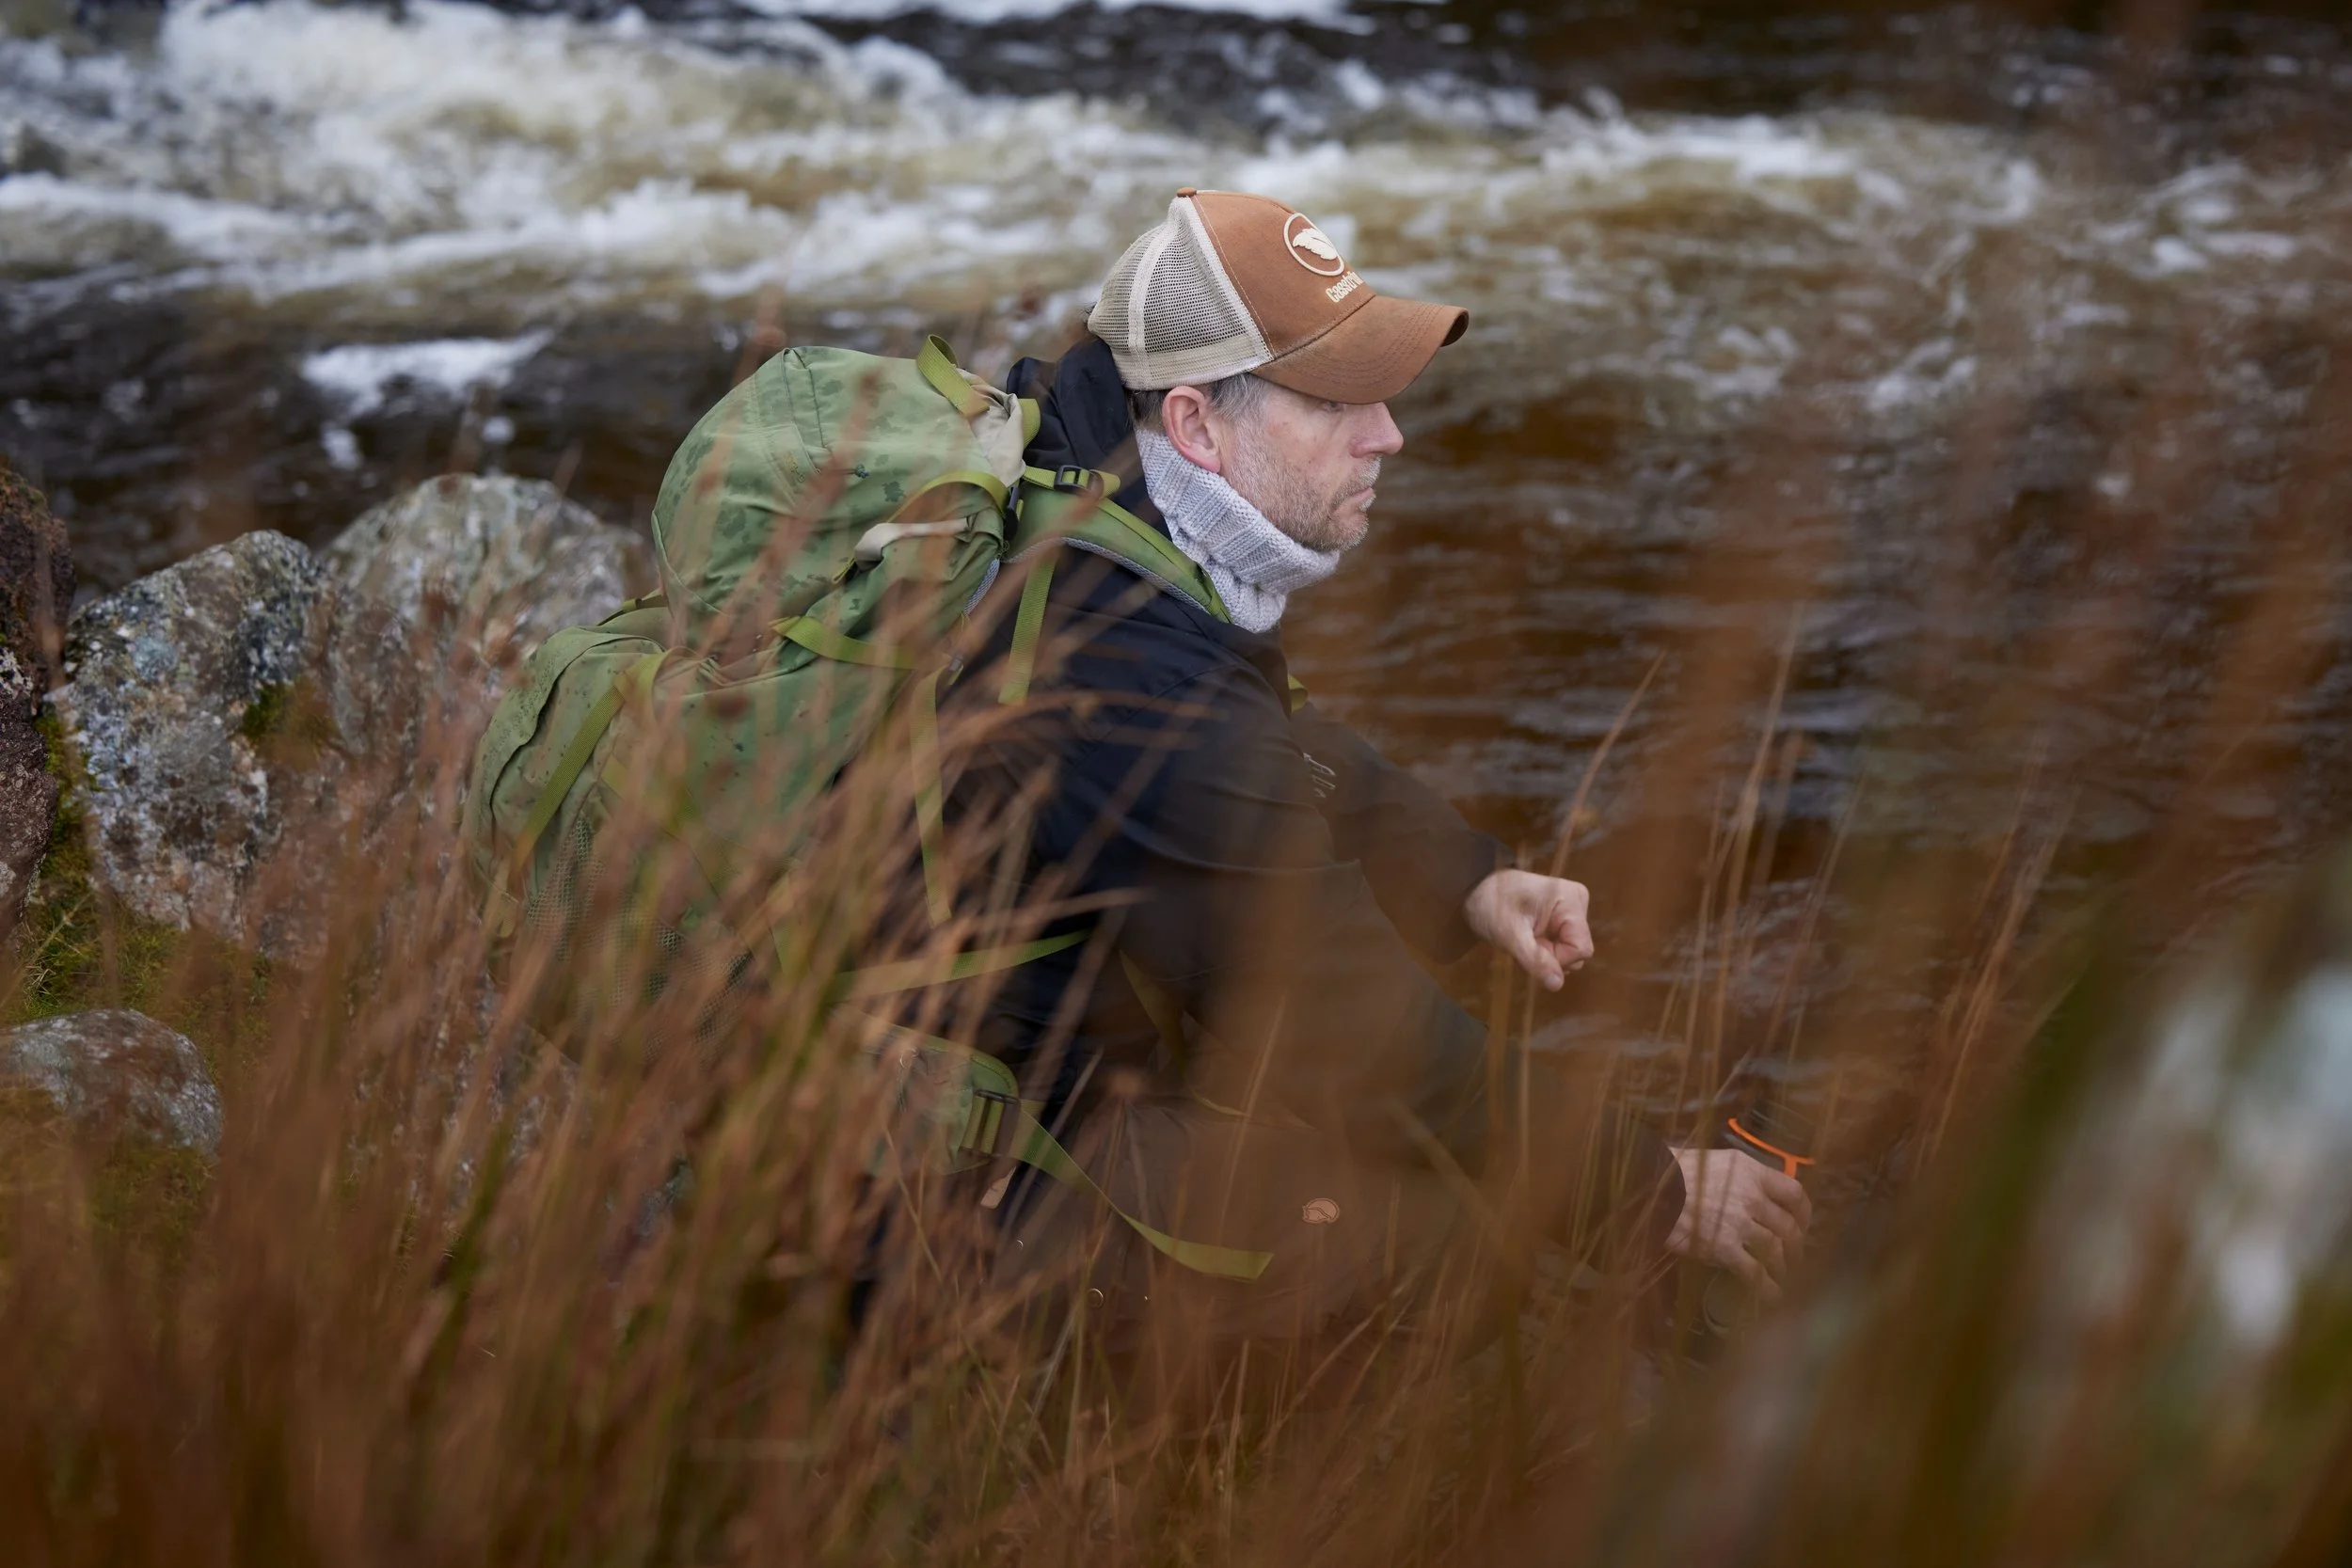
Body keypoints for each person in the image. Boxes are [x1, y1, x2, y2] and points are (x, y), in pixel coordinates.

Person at [911, 188, 1809, 1375]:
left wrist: (1468, 878)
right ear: (1196, 420)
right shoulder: (1124, 672)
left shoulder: (1079, 462)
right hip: (931, 1180)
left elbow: (1267, 729)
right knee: (1461, 1248)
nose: (1388, 434)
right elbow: (1352, 1030)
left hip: (999, 1030)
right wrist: (1652, 1184)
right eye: (1337, 401)